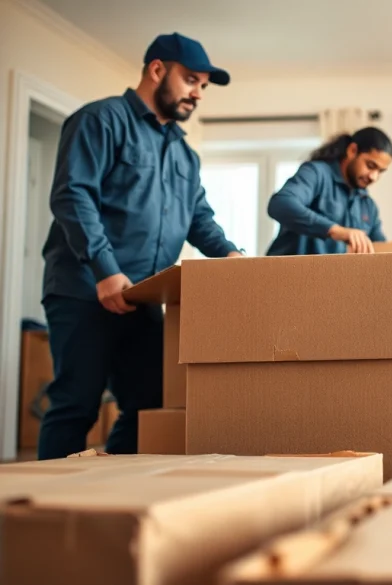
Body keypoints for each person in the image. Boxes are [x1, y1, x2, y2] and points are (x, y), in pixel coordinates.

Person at [39, 33, 241, 460]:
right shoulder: (100, 120)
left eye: (203, 86)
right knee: (76, 405)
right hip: (84, 287)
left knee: (148, 405)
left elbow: (197, 217)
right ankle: (42, 512)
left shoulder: (184, 154)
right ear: (156, 70)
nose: (197, 94)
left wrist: (230, 256)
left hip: (143, 295)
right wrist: (105, 269)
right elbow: (72, 195)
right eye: (190, 80)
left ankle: (113, 493)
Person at [266, 127, 392, 256]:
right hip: (289, 273)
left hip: (333, 275)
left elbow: (380, 249)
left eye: (380, 171)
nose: (374, 176)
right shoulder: (316, 173)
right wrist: (335, 230)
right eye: (370, 166)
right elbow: (280, 204)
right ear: (352, 150)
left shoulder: (368, 205)